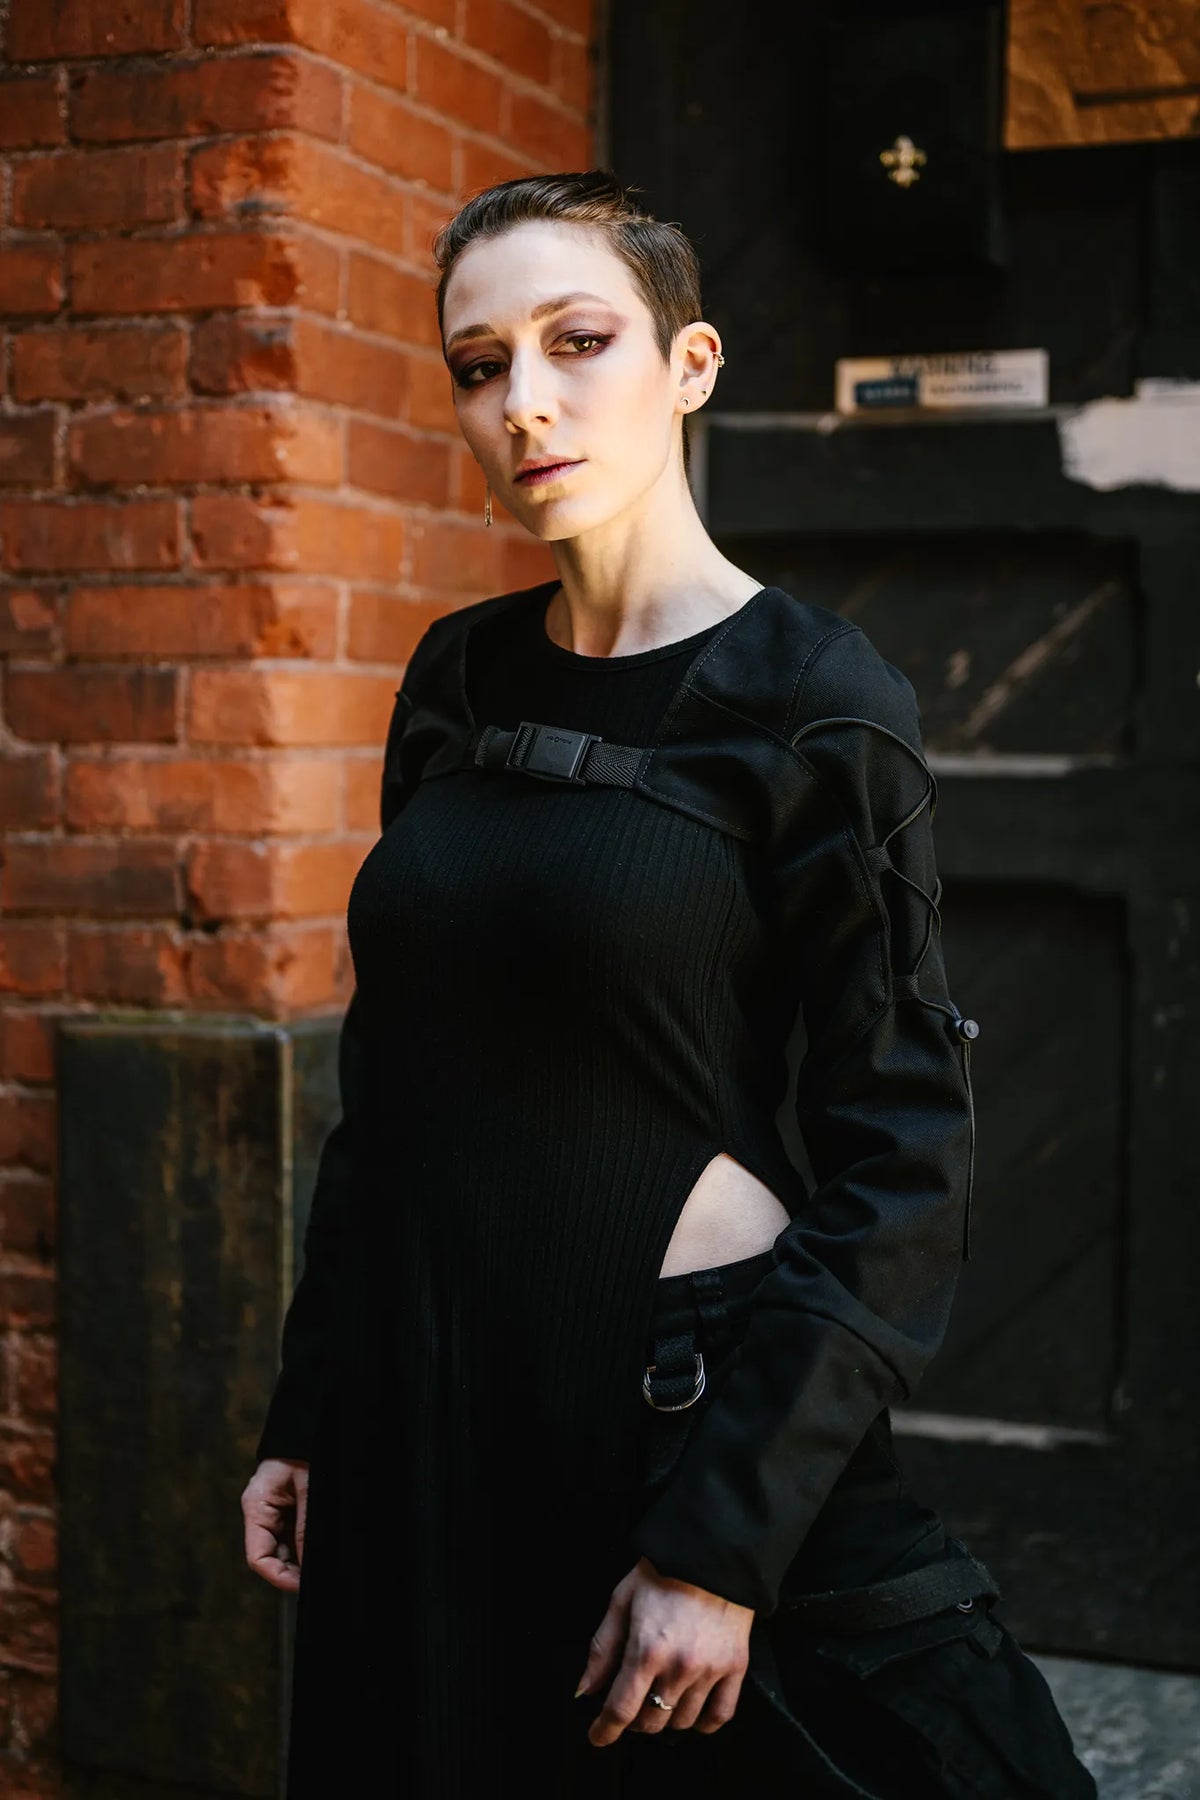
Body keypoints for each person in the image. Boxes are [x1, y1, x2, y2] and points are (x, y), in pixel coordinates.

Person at [240, 169, 1097, 1798]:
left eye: (578, 342)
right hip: (426, 1394)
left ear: (690, 363)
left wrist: (722, 1542)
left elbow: (907, 1150)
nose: (525, 402)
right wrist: (312, 1405)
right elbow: (392, 1084)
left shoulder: (813, 696)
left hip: (676, 1401)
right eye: (480, 365)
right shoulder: (454, 676)